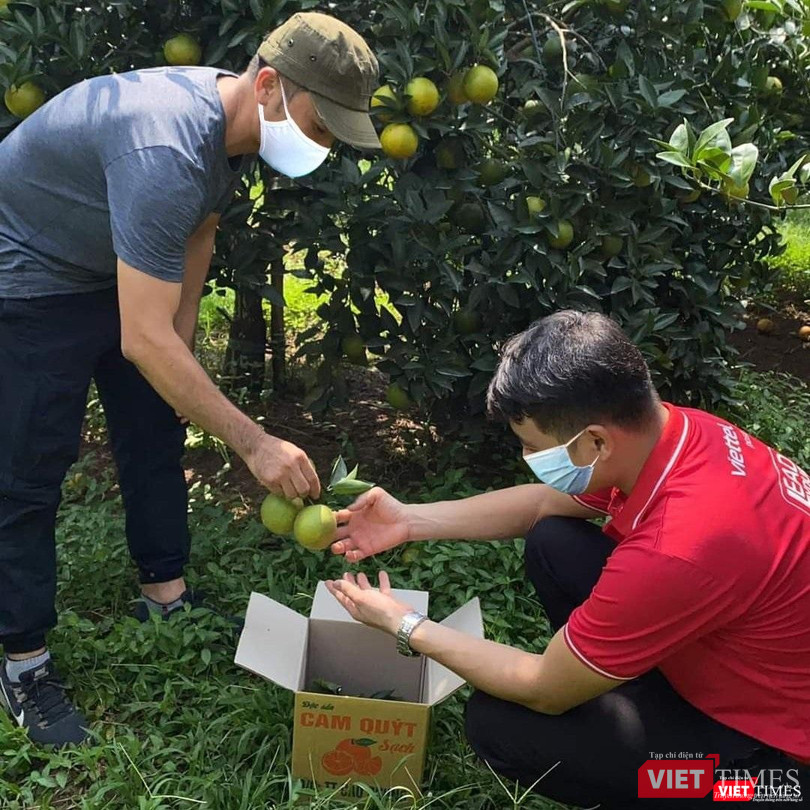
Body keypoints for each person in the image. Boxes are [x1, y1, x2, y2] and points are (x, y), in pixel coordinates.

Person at [0, 12, 380, 746]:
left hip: (105, 260)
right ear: (268, 85)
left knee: (154, 427)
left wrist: (174, 371)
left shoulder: (230, 129)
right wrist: (252, 440)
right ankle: (23, 662)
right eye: (321, 126)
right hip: (28, 272)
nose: (324, 147)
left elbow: (194, 236)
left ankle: (164, 596)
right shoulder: (165, 145)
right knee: (27, 468)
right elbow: (141, 333)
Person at [327, 310, 810, 809]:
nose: (527, 459)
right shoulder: (678, 435)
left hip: (778, 767)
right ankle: (617, 685)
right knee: (553, 541)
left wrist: (405, 624)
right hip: (736, 659)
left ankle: (696, 790)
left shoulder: (676, 547)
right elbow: (541, 505)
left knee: (501, 725)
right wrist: (408, 519)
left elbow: (541, 689)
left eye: (533, 447)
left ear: (597, 440)